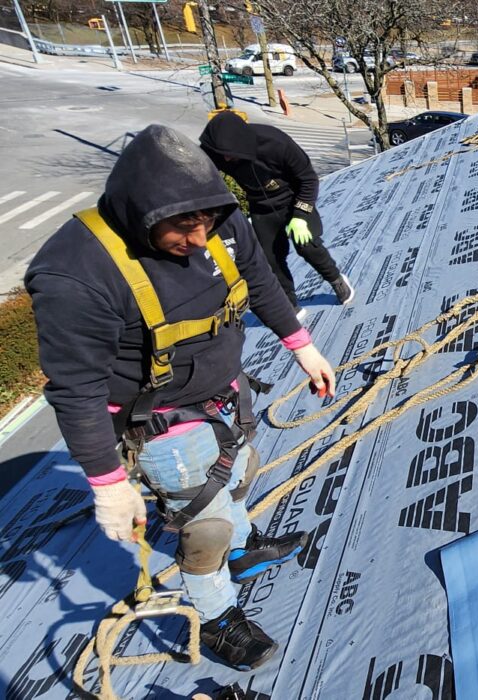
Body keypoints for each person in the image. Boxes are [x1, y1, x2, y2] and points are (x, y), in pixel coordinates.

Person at [25, 125, 338, 671]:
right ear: (139, 212)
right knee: (204, 525)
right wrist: (107, 483)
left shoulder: (213, 217)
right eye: (180, 228)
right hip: (160, 420)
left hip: (221, 393)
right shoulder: (77, 273)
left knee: (237, 477)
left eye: (206, 224)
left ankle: (242, 550)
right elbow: (75, 389)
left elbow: (258, 280)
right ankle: (217, 619)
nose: (197, 241)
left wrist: (303, 348)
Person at [200, 111, 354, 321]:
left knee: (306, 244)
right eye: (222, 154)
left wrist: (300, 214)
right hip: (261, 205)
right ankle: (290, 305)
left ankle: (336, 279)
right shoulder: (215, 152)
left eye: (230, 154)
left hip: (292, 197)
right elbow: (198, 170)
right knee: (270, 258)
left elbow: (308, 178)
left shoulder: (275, 142)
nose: (226, 159)